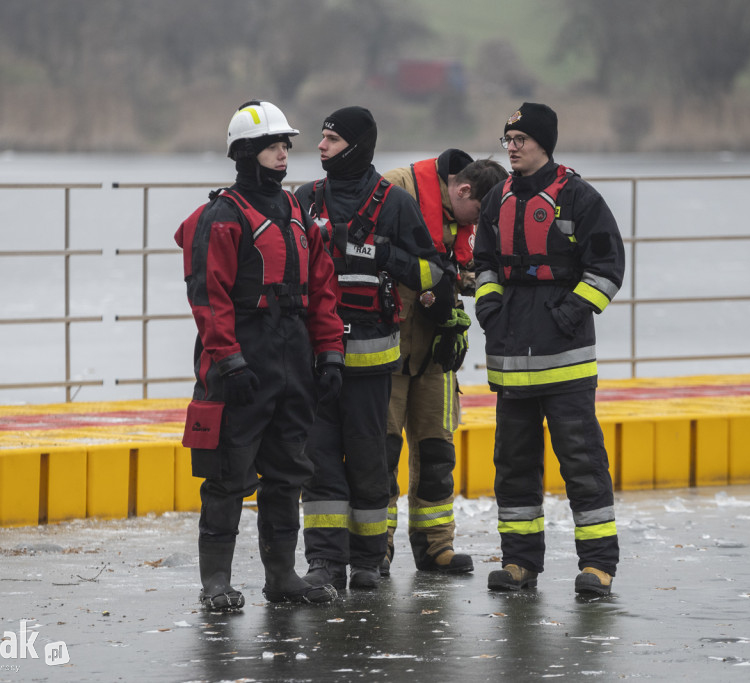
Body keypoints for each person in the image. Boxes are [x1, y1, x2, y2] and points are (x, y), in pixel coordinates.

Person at [174, 100, 345, 611]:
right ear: (246, 153)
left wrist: (330, 352)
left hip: (292, 360)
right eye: (273, 146)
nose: (283, 154)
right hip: (242, 364)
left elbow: (322, 286)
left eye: (285, 146)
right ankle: (215, 583)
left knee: (288, 472)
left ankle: (282, 576)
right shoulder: (223, 217)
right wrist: (227, 360)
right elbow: (208, 295)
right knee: (227, 476)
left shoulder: (295, 211)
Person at [295, 106, 455, 591]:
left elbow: (435, 275)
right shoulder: (305, 199)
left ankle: (368, 560)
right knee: (319, 466)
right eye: (321, 138)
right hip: (318, 363)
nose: (321, 147)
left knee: (369, 463)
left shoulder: (393, 205)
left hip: (372, 365)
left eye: (331, 140)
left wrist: (387, 255)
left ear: (358, 146)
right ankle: (324, 561)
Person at [473, 103, 625, 596]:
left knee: (582, 465)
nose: (511, 147)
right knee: (513, 469)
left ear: (544, 143)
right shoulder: (496, 199)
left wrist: (568, 316)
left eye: (519, 139)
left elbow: (607, 268)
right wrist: (490, 309)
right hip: (511, 366)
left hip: (566, 363)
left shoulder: (579, 197)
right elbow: (484, 265)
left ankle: (598, 566)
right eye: (507, 139)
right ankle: (519, 564)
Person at [381, 151, 508, 575]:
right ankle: (373, 548)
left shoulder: (464, 217)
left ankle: (436, 546)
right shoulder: (397, 188)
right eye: (477, 216)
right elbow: (366, 253)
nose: (476, 227)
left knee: (437, 453)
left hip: (437, 353)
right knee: (381, 453)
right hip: (388, 349)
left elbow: (464, 270)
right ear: (463, 189)